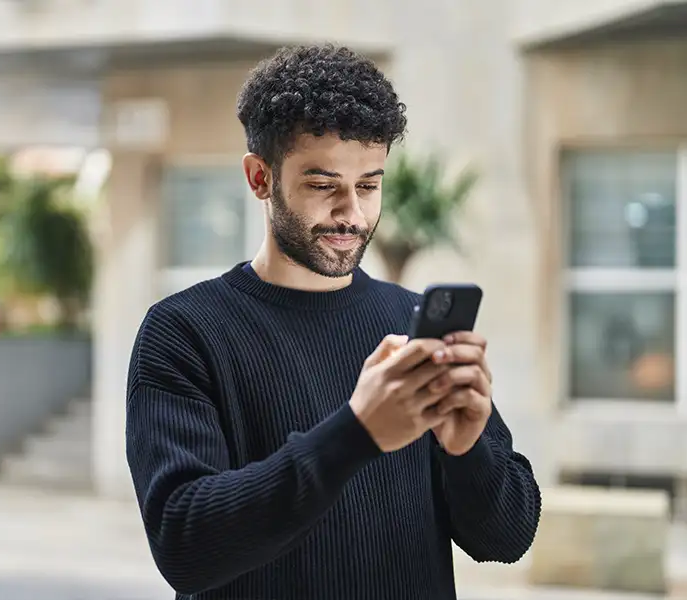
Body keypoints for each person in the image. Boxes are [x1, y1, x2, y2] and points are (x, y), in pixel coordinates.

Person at [125, 44, 541, 600]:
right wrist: (357, 434)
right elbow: (185, 545)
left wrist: (469, 452)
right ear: (259, 178)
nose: (352, 212)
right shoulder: (184, 333)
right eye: (323, 186)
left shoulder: (408, 322)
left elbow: (507, 538)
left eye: (369, 185)